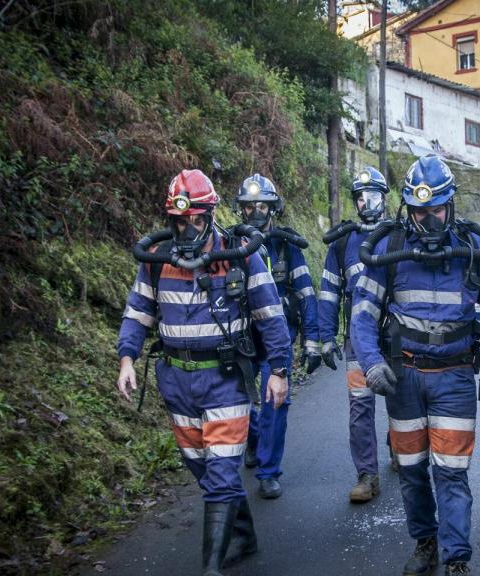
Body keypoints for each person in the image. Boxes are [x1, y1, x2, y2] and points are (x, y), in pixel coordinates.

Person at [115, 169, 292, 575]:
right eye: (181, 221)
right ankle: (244, 536)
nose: (189, 228)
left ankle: (210, 567)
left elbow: (270, 316)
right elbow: (137, 312)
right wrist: (127, 358)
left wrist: (279, 370)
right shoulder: (156, 263)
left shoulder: (240, 254)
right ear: (170, 220)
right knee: (203, 465)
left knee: (223, 468)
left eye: (197, 219)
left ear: (210, 215)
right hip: (176, 380)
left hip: (226, 379)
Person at [350, 155, 480, 576]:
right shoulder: (389, 247)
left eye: (436, 209)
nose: (428, 219)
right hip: (402, 378)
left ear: (451, 206)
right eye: (420, 211)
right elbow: (363, 315)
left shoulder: (475, 250)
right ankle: (426, 542)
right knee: (410, 470)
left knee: (452, 472)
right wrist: (370, 364)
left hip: (456, 378)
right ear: (408, 208)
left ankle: (456, 557)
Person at [236, 173, 322, 499]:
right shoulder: (233, 244)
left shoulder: (288, 247)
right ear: (240, 210)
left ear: (274, 208)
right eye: (249, 207)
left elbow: (306, 295)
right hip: (243, 335)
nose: (256, 212)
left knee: (275, 398)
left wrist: (312, 341)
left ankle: (268, 471)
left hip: (280, 334)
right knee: (239, 398)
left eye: (263, 205)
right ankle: (254, 440)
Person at [318, 166, 389, 503]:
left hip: (397, 337)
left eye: (372, 196)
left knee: (403, 401)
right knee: (360, 406)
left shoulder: (400, 234)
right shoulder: (343, 242)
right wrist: (325, 337)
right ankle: (367, 475)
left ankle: (405, 451)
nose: (366, 203)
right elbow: (329, 292)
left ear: (385, 198)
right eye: (360, 198)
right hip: (357, 341)